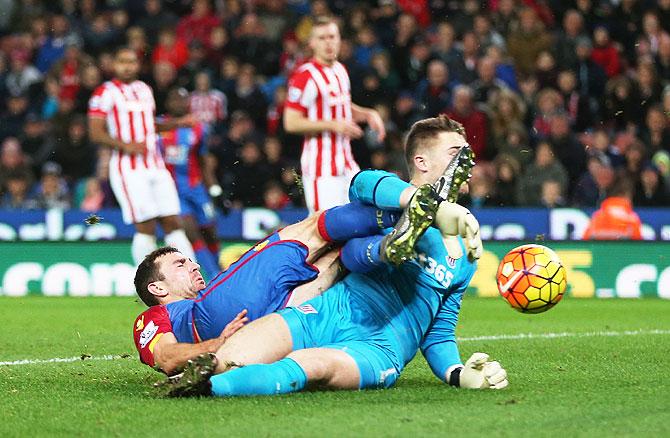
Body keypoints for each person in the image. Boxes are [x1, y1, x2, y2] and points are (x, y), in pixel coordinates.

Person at [161, 115, 505, 397]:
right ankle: (197, 381)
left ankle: (209, 391)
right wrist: (417, 205)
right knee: (231, 358)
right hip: (329, 309)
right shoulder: (382, 200)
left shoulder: (467, 254)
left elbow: (439, 331)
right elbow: (361, 189)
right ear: (421, 161)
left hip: (381, 345)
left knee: (313, 366)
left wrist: (458, 373)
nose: (467, 162)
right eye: (456, 153)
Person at [133, 198, 408, 375]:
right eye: (180, 264)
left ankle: (388, 243)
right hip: (215, 318)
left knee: (339, 256)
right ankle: (405, 209)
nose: (193, 265)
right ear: (158, 289)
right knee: (312, 229)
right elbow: (166, 356)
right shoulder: (155, 317)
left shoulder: (207, 290)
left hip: (268, 330)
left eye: (190, 261)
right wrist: (215, 343)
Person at [87, 47, 195, 266]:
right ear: (114, 65)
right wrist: (126, 146)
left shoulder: (145, 89)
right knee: (145, 225)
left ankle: (188, 278)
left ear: (138, 65)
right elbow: (95, 132)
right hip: (129, 168)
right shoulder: (104, 93)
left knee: (173, 221)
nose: (127, 66)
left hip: (156, 165)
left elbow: (148, 124)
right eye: (122, 61)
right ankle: (146, 284)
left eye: (132, 62)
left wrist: (177, 123)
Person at [283, 16, 386, 213]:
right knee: (327, 233)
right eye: (322, 38)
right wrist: (333, 125)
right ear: (312, 43)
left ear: (339, 40)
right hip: (321, 170)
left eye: (332, 36)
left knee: (363, 221)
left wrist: (367, 114)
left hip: (346, 163)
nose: (328, 42)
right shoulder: (305, 76)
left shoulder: (340, 70)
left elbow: (341, 106)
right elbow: (291, 122)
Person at [157, 87, 224, 281]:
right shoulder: (160, 128)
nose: (178, 104)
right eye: (174, 100)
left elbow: (203, 161)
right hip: (173, 192)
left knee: (210, 232)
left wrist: (215, 189)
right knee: (191, 232)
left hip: (197, 190)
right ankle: (213, 277)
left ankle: (219, 269)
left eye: (182, 100)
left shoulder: (199, 128)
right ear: (168, 103)